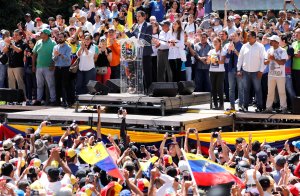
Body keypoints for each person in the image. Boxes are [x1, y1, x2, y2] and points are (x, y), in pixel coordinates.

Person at [237, 31, 265, 112]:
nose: (247, 37)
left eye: (249, 36)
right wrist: (238, 69)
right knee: (245, 89)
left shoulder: (260, 46)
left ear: (254, 37)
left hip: (256, 72)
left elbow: (263, 59)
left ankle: (260, 107)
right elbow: (240, 58)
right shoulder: (244, 46)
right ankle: (245, 106)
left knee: (258, 90)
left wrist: (261, 71)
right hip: (245, 72)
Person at [125, 11, 153, 93]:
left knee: (147, 72)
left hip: (145, 53)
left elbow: (148, 39)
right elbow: (132, 36)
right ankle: (140, 90)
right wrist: (127, 30)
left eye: (139, 16)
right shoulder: (136, 26)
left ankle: (149, 90)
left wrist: (138, 41)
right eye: (136, 16)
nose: (137, 18)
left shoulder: (148, 26)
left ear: (144, 17)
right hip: (137, 53)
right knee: (138, 72)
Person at [32, 28, 56, 106]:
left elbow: (55, 55)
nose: (40, 34)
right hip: (39, 67)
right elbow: (34, 54)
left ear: (46, 34)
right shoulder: (38, 42)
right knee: (39, 85)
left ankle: (53, 100)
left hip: (49, 67)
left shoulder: (53, 43)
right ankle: (39, 100)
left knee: (51, 84)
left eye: (41, 33)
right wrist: (33, 66)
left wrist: (53, 64)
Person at [264, 35, 288, 113]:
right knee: (270, 92)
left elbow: (283, 62)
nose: (270, 42)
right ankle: (268, 108)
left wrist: (274, 59)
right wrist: (268, 60)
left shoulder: (283, 50)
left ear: (276, 42)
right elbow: (265, 62)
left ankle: (284, 108)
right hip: (271, 74)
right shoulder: (269, 50)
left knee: (282, 92)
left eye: (272, 41)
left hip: (280, 75)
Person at [52, 32, 72, 107]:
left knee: (65, 85)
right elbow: (53, 58)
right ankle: (57, 101)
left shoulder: (68, 47)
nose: (60, 38)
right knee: (57, 85)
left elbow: (68, 59)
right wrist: (56, 56)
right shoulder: (55, 47)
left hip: (65, 68)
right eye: (59, 37)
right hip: (57, 68)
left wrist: (60, 54)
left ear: (65, 38)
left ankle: (65, 101)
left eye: (61, 37)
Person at [225, 32, 243, 110]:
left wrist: (234, 50)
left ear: (239, 37)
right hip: (231, 69)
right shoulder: (230, 45)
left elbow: (241, 56)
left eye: (235, 36)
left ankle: (240, 105)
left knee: (240, 88)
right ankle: (232, 105)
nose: (233, 37)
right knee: (231, 88)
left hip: (239, 69)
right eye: (232, 36)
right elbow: (227, 57)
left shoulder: (242, 46)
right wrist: (229, 50)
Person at [207, 37, 226, 110]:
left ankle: (221, 104)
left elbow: (222, 61)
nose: (214, 43)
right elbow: (208, 62)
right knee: (213, 88)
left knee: (219, 88)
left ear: (220, 43)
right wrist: (209, 60)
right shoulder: (211, 51)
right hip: (212, 71)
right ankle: (215, 104)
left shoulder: (223, 51)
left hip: (220, 72)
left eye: (216, 42)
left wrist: (214, 60)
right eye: (213, 42)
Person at [24, 38, 37, 104]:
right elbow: (24, 60)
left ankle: (35, 98)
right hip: (27, 69)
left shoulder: (36, 50)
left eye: (31, 43)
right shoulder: (27, 50)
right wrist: (25, 55)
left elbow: (36, 60)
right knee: (28, 85)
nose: (30, 45)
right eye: (29, 43)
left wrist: (31, 55)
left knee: (35, 85)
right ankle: (29, 98)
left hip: (34, 69)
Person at [292, 28, 300, 96]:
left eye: (298, 33)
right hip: (293, 69)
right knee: (295, 87)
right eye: (295, 33)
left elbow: (298, 55)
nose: (296, 34)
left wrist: (292, 54)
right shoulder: (293, 43)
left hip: (299, 69)